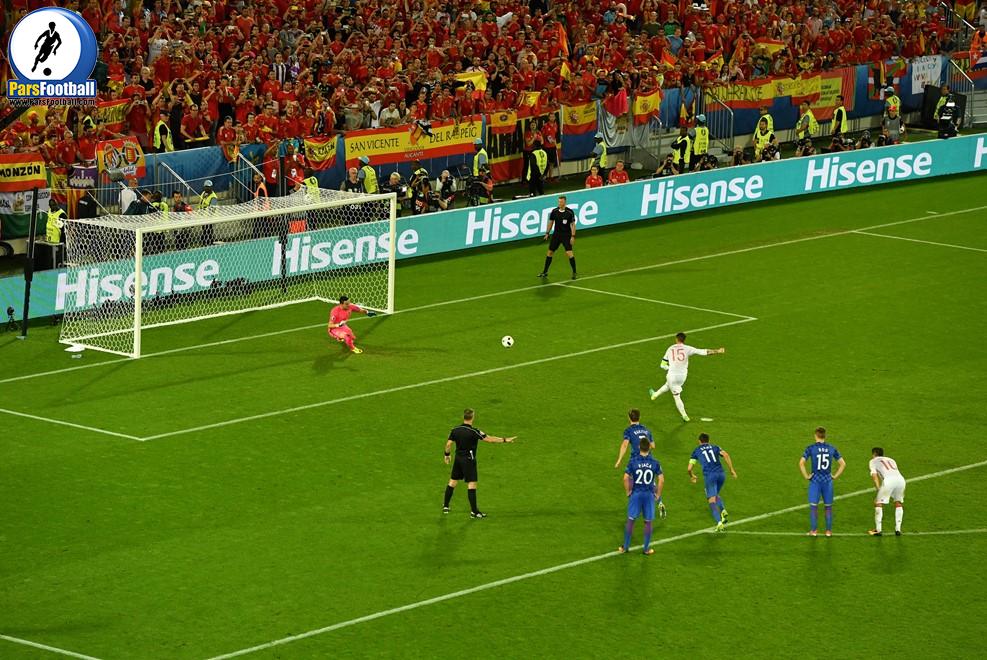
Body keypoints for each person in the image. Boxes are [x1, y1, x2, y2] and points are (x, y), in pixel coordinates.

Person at [442, 408, 516, 518]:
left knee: (452, 482)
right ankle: (474, 512)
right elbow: (489, 439)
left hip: (458, 459)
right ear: (473, 417)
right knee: (472, 484)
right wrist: (505, 440)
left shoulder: (455, 430)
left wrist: (447, 455)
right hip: (469, 460)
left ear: (463, 417)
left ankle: (446, 506)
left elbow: (448, 444)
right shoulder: (474, 431)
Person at [649, 332, 725, 422]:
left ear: (676, 339)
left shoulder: (670, 348)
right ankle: (655, 395)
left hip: (672, 375)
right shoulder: (688, 348)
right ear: (684, 340)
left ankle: (685, 416)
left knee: (676, 396)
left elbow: (662, 365)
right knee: (668, 385)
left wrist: (670, 368)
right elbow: (703, 352)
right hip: (682, 377)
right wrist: (717, 351)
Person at [618, 437, 665, 555]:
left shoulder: (633, 462)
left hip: (636, 494)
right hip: (649, 495)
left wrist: (628, 491)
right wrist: (658, 495)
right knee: (648, 522)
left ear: (639, 447)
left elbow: (625, 478)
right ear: (649, 447)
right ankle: (646, 549)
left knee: (631, 520)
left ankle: (625, 547)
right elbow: (661, 480)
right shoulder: (655, 463)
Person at [799, 427, 846, 537]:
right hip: (827, 481)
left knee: (813, 507)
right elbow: (843, 464)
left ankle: (814, 531)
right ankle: (828, 531)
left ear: (815, 435)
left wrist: (806, 476)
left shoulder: (811, 448)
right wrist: (835, 476)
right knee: (828, 507)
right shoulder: (832, 448)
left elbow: (801, 463)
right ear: (825, 436)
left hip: (815, 481)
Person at [688, 432, 738, 532]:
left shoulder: (696, 450)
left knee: (711, 500)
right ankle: (723, 510)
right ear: (708, 441)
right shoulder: (715, 447)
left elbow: (689, 469)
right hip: (721, 475)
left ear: (699, 441)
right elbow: (726, 455)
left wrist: (692, 476)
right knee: (715, 494)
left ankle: (719, 523)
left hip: (710, 476)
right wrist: (731, 470)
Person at [868, 448, 906, 536]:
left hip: (889, 481)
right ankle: (898, 529)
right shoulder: (891, 460)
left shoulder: (873, 461)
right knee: (898, 502)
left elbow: (874, 476)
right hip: (901, 480)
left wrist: (878, 488)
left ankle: (878, 530)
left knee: (878, 502)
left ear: (874, 454)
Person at [537, 195, 577, 280]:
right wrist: (547, 233)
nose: (559, 203)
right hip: (556, 235)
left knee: (569, 253)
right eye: (559, 202)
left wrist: (573, 236)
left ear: (565, 202)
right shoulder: (554, 211)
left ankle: (574, 272)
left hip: (566, 235)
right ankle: (545, 272)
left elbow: (573, 225)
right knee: (550, 252)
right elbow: (551, 222)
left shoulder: (569, 212)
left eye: (561, 202)